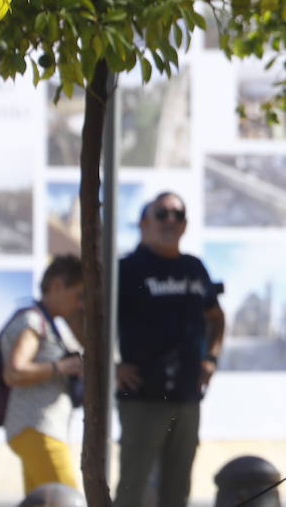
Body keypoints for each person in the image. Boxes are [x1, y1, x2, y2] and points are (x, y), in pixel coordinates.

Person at [114, 192, 224, 507]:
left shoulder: (194, 267)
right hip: (143, 398)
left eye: (178, 214)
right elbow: (92, 321)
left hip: (187, 399)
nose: (170, 220)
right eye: (162, 213)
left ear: (186, 225)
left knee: (177, 492)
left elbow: (216, 318)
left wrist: (211, 359)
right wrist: (112, 365)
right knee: (133, 490)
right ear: (144, 223)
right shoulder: (126, 269)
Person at [0, 255, 85, 494]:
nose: (81, 304)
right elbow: (14, 371)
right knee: (67, 498)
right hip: (38, 427)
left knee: (42, 501)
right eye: (79, 295)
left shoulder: (49, 322)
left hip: (38, 429)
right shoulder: (33, 321)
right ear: (57, 285)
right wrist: (60, 367)